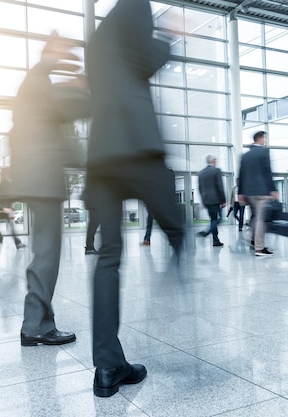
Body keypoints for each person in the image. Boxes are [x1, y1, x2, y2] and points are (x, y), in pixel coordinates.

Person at [84, 0, 184, 397]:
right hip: (137, 145)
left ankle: (108, 367)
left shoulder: (98, 34)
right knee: (178, 231)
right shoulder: (137, 5)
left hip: (102, 154)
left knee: (109, 257)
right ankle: (174, 308)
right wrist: (171, 36)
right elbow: (144, 60)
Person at [8, 31, 91, 347]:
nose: (64, 54)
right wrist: (79, 89)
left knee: (45, 254)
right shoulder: (37, 82)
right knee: (46, 255)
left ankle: (39, 323)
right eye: (58, 49)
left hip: (37, 179)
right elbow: (64, 108)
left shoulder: (36, 83)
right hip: (41, 181)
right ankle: (35, 327)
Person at [238, 131, 278, 257]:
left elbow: (241, 175)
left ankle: (253, 240)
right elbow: (267, 171)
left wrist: (241, 193)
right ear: (260, 139)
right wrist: (273, 189)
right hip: (262, 191)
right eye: (264, 138)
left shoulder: (245, 155)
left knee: (255, 217)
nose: (265, 141)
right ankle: (259, 248)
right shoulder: (264, 151)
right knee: (261, 218)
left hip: (249, 193)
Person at [196, 154, 226, 247]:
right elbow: (219, 186)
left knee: (213, 219)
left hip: (207, 200)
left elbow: (200, 188)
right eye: (215, 160)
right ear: (213, 161)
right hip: (216, 199)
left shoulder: (201, 173)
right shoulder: (216, 171)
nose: (216, 161)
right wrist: (223, 200)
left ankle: (215, 240)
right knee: (219, 218)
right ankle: (207, 232)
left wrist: (203, 201)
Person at [0, 167, 25, 249]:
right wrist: (4, 208)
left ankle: (17, 242)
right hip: (4, 208)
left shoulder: (3, 182)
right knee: (11, 226)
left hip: (3, 208)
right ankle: (18, 243)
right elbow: (4, 196)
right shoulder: (4, 183)